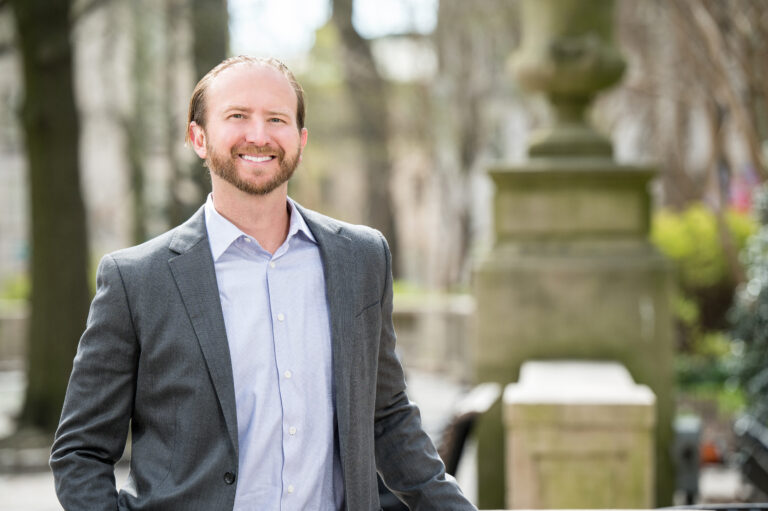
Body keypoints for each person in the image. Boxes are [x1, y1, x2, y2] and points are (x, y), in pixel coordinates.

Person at [50, 55, 476, 511]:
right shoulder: (137, 280)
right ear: (198, 137)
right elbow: (81, 452)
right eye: (237, 116)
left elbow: (387, 418)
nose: (259, 135)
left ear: (300, 139)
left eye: (277, 119)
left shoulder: (361, 258)